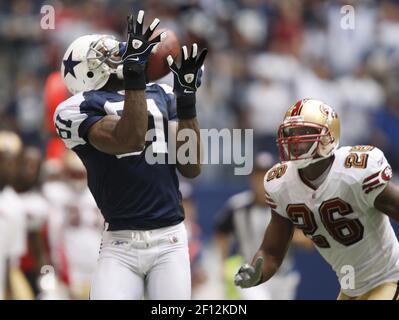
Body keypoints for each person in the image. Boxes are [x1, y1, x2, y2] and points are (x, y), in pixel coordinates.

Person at [53, 10, 207, 299]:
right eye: (104, 54)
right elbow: (129, 139)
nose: (118, 54)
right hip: (120, 244)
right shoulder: (77, 108)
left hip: (169, 238)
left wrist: (187, 101)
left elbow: (191, 166)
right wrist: (135, 73)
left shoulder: (160, 94)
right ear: (86, 71)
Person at [234, 98, 399, 300]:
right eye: (290, 133)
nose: (294, 140)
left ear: (328, 137)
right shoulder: (282, 184)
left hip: (389, 278)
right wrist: (256, 273)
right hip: (351, 290)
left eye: (304, 133)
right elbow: (271, 253)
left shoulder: (355, 170)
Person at [215, 152, 312, 300]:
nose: (262, 181)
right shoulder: (237, 206)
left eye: (267, 175)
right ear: (251, 179)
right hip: (251, 272)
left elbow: (308, 241)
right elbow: (221, 231)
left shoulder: (288, 204)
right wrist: (223, 262)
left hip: (283, 276)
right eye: (258, 176)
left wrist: (286, 236)